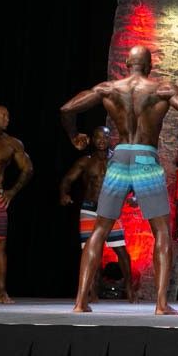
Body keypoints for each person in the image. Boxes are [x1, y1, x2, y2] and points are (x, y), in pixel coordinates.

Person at [60, 45, 178, 315]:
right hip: (145, 159)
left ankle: (80, 302)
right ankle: (161, 304)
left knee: (100, 230)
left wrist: (74, 135)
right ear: (149, 66)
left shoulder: (108, 89)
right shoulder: (161, 90)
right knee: (161, 231)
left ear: (126, 63)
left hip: (120, 158)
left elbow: (67, 109)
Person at [60, 126, 136, 303]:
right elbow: (67, 179)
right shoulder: (86, 161)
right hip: (89, 208)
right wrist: (63, 193)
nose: (102, 140)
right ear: (93, 140)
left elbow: (132, 181)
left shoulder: (118, 161)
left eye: (105, 137)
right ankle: (92, 292)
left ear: (110, 139)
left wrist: (134, 196)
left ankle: (130, 288)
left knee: (121, 250)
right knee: (91, 250)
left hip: (110, 208)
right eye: (98, 137)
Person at [0, 105, 33, 304]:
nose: (7, 118)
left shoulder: (11, 143)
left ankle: (1, 292)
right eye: (4, 115)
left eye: (8, 115)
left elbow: (28, 169)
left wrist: (12, 191)